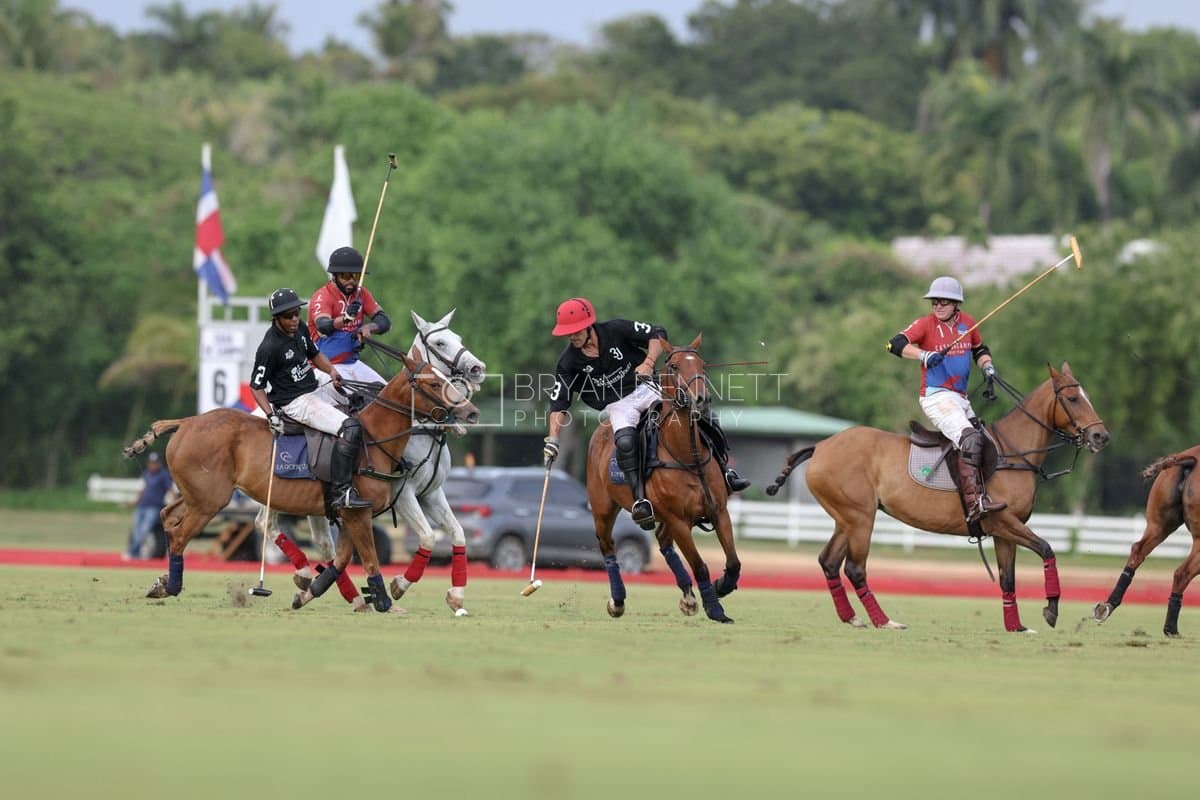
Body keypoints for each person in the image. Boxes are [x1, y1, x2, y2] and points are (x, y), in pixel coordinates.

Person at [542, 297, 749, 530]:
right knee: (626, 441)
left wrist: (649, 362)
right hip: (618, 404)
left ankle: (725, 472)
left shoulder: (616, 329)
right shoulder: (568, 362)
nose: (572, 336)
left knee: (702, 416)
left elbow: (658, 333)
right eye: (568, 332)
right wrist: (553, 439)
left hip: (647, 388)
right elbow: (559, 402)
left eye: (576, 330)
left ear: (589, 325)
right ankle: (641, 500)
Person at [887, 276, 1005, 523]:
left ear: (956, 304)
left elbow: (980, 350)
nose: (938, 306)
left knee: (986, 442)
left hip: (960, 398)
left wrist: (987, 367)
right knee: (970, 440)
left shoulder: (969, 324)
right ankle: (974, 504)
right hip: (936, 396)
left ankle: (980, 492)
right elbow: (894, 344)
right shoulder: (925, 325)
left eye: (943, 301)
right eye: (934, 301)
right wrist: (924, 355)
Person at [250, 287, 372, 510]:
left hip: (315, 385)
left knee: (362, 403)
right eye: (289, 316)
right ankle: (341, 492)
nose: (295, 319)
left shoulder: (300, 329)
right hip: (295, 402)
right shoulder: (269, 347)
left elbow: (314, 354)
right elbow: (256, 386)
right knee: (350, 428)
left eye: (297, 313)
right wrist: (270, 415)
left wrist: (332, 372)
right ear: (277, 318)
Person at [308, 246, 391, 407]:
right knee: (358, 403)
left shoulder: (361, 294)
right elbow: (323, 325)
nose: (351, 281)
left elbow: (384, 320)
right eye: (346, 276)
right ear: (334, 276)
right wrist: (345, 319)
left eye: (355, 275)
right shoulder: (322, 296)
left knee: (389, 399)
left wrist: (368, 328)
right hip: (325, 369)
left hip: (352, 363)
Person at [126, 451, 174, 559]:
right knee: (136, 529)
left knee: (144, 529)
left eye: (155, 463)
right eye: (151, 463)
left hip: (154, 507)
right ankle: (135, 552)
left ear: (159, 464)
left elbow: (171, 490)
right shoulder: (146, 474)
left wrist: (174, 504)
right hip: (142, 506)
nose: (153, 465)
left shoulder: (163, 475)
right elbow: (142, 490)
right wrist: (135, 501)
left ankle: (132, 552)